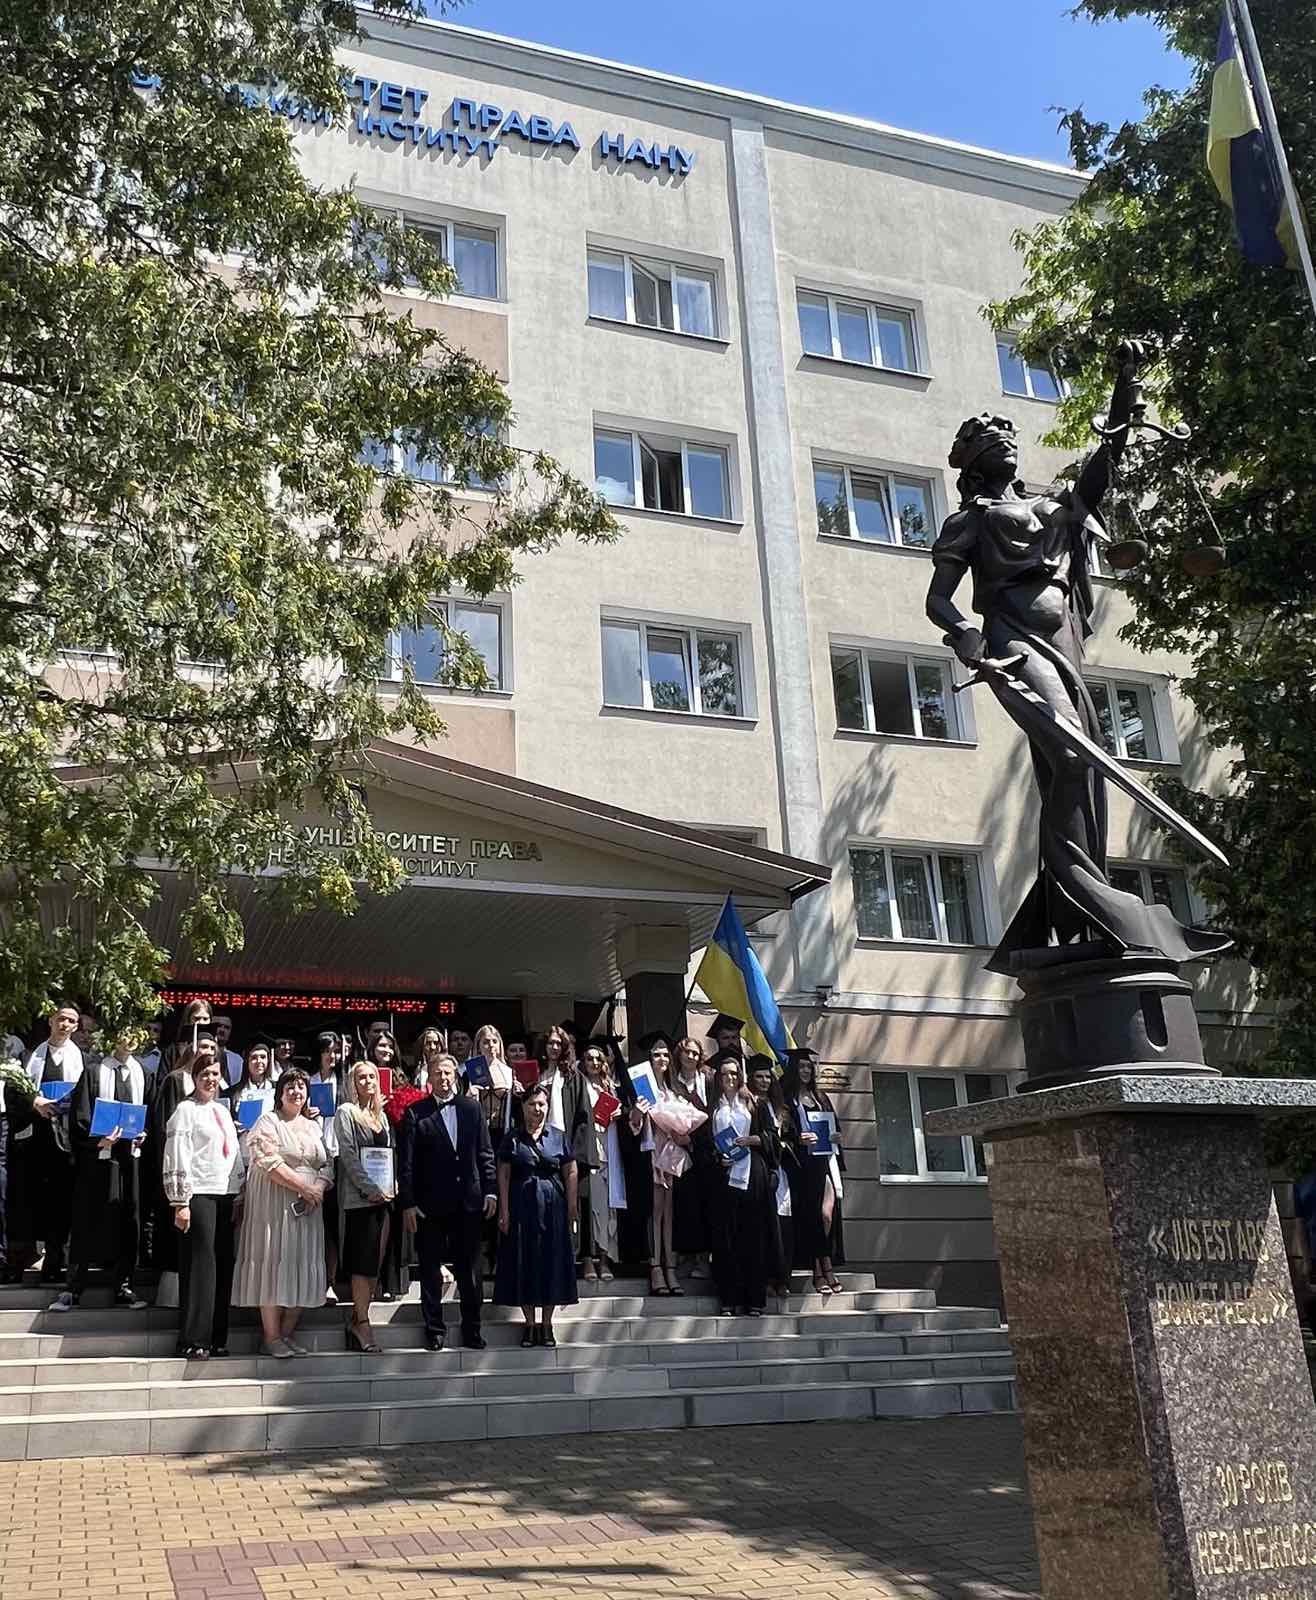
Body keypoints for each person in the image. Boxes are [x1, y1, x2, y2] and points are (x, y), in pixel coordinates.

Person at [926, 343, 1230, 975]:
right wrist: (964, 636)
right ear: (971, 464)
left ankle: (1073, 908)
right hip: (1012, 644)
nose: (1006, 442)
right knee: (1069, 753)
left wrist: (1126, 382)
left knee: (1083, 771)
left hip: (1065, 641)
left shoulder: (1058, 504)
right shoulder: (970, 520)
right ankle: (1087, 891)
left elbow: (1106, 460)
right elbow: (939, 601)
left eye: (1008, 436)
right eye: (989, 440)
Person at [397, 1053, 496, 1352]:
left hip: (469, 1202)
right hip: (430, 1205)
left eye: (448, 1073)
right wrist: (408, 1203)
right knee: (430, 1271)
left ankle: (472, 1330)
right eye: (438, 1073)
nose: (443, 1078)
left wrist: (491, 1191)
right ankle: (434, 1330)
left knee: (471, 1272)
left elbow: (485, 1153)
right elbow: (407, 1163)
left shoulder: (472, 1108)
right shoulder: (416, 1112)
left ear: (456, 1076)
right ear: (429, 1077)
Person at [233, 1069, 333, 1358]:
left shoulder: (314, 1126)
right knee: (273, 1265)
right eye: (290, 1087)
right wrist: (304, 1187)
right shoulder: (268, 1122)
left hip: (309, 1208)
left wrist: (318, 1188)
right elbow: (268, 1161)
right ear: (280, 1093)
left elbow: (327, 1163)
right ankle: (271, 1336)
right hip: (274, 1207)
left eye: (301, 1086)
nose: (296, 1092)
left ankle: (286, 1334)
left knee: (302, 1265)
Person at [49, 1027, 150, 1311]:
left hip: (130, 1159)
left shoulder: (144, 1074)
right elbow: (79, 1115)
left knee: (128, 1219)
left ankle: (123, 1285)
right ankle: (74, 1287)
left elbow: (150, 1115)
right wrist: (98, 1140)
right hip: (97, 1157)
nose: (130, 1040)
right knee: (87, 1218)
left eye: (136, 1034)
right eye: (125, 1033)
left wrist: (144, 1134)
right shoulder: (94, 1072)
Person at [162, 1057, 244, 1358]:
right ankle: (194, 1339)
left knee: (222, 1267)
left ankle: (216, 1337)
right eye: (205, 1074)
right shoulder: (185, 1110)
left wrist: (239, 1193)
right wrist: (180, 1201)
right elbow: (177, 1154)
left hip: (224, 1194)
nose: (210, 1079)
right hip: (198, 1194)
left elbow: (233, 1154)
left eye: (215, 1074)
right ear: (194, 1077)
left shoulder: (221, 1110)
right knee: (201, 1268)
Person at [3, 1002, 84, 1285]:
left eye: (71, 1021)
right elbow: (14, 1093)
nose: (65, 1025)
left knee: (61, 1200)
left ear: (76, 1026)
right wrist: (34, 1102)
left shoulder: (82, 1060)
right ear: (51, 1021)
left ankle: (55, 1259)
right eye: (61, 1019)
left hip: (66, 1142)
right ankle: (25, 1257)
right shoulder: (31, 1057)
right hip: (34, 1139)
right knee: (31, 1199)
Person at [495, 1081, 578, 1346]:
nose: (537, 1109)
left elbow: (570, 1171)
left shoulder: (558, 1136)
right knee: (524, 1261)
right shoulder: (512, 1138)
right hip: (521, 1207)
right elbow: (503, 1174)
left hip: (554, 1207)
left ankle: (547, 1324)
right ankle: (530, 1324)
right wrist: (504, 1210)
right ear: (523, 1106)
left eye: (542, 1104)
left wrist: (572, 1206)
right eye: (532, 1104)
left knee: (551, 1263)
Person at [709, 1052, 779, 1319]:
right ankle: (729, 1298)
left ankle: (754, 1300)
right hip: (724, 1176)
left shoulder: (753, 1103)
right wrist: (718, 1158)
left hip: (752, 1175)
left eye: (734, 1073)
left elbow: (772, 1136)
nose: (730, 1077)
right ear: (718, 1077)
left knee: (753, 1236)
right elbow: (707, 1142)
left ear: (740, 1076)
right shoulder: (713, 1106)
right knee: (727, 1239)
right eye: (725, 1073)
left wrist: (753, 1140)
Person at [335, 1060, 395, 1352]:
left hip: (383, 1198)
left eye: (372, 1076)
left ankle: (359, 1317)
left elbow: (388, 1154)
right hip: (360, 1200)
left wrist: (392, 1184)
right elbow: (347, 1155)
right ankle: (362, 1322)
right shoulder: (346, 1112)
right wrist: (369, 1189)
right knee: (361, 1263)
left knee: (375, 1263)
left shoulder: (380, 1116)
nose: (368, 1081)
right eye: (361, 1077)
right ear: (352, 1083)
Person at [781, 1048, 844, 1293]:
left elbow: (834, 1127)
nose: (806, 1071)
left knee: (826, 1215)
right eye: (801, 1067)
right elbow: (782, 1133)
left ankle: (822, 1265)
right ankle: (822, 1270)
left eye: (809, 1067)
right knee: (813, 1217)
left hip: (823, 1163)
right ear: (793, 1070)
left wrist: (836, 1136)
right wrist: (798, 1139)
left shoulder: (820, 1097)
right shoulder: (787, 1099)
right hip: (801, 1166)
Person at [631, 1033, 684, 1298]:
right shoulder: (640, 1087)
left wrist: (683, 1132)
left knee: (670, 1211)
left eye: (665, 1054)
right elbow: (633, 1125)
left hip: (671, 1154)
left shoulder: (674, 1090)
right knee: (655, 1210)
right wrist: (637, 1113)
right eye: (656, 1054)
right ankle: (655, 1267)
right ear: (649, 1059)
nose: (661, 1058)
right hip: (650, 1155)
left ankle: (670, 1266)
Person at [577, 1040, 623, 1280]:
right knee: (589, 1208)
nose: (594, 1062)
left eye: (598, 1059)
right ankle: (587, 1259)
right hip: (589, 1152)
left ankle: (605, 1260)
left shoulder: (611, 1086)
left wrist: (619, 1113)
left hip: (609, 1151)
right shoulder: (578, 1086)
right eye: (589, 1058)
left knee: (607, 1210)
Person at [670, 1036, 716, 1281]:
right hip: (678, 1150)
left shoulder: (707, 1081)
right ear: (679, 1054)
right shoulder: (671, 1081)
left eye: (696, 1053)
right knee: (684, 1205)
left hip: (704, 1151)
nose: (691, 1056)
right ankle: (686, 1257)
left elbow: (714, 1114)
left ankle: (703, 1259)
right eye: (687, 1052)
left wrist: (694, 1139)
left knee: (705, 1204)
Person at [747, 1056, 790, 1299]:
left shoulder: (780, 1107)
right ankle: (764, 1278)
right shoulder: (750, 1103)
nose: (764, 1081)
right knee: (762, 1226)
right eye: (758, 1077)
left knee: (781, 1227)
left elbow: (788, 1135)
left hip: (782, 1171)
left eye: (767, 1077)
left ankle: (781, 1277)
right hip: (760, 1170)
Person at [307, 1031, 346, 1300]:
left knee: (333, 1224)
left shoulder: (344, 1084)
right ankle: (312, 1279)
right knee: (313, 1222)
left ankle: (330, 1280)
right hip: (311, 1158)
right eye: (327, 1051)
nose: (332, 1056)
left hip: (338, 1156)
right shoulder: (307, 1082)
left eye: (335, 1051)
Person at [228, 1040, 278, 1127]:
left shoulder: (277, 1088)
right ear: (247, 1061)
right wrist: (233, 1125)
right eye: (254, 1057)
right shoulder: (233, 1092)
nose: (259, 1061)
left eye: (263, 1057)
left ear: (268, 1061)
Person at [212, 1016, 242, 1087]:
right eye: (219, 1026)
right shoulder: (200, 1054)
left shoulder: (238, 1060)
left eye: (227, 1027)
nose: (222, 1030)